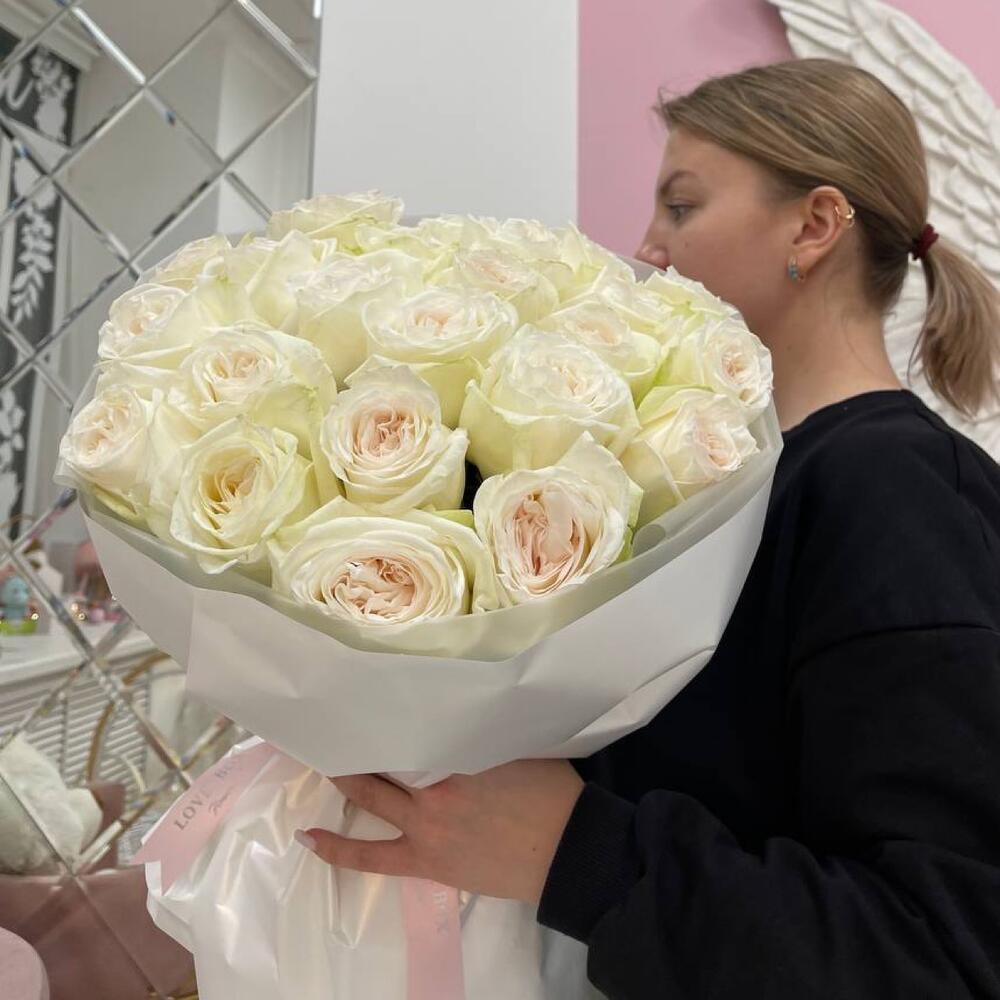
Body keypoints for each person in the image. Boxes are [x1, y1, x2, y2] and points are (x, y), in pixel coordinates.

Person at [296, 59, 1000, 998]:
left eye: (683, 205)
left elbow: (947, 953)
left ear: (815, 226)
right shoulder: (738, 489)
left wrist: (579, 853)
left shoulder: (894, 491)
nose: (647, 245)